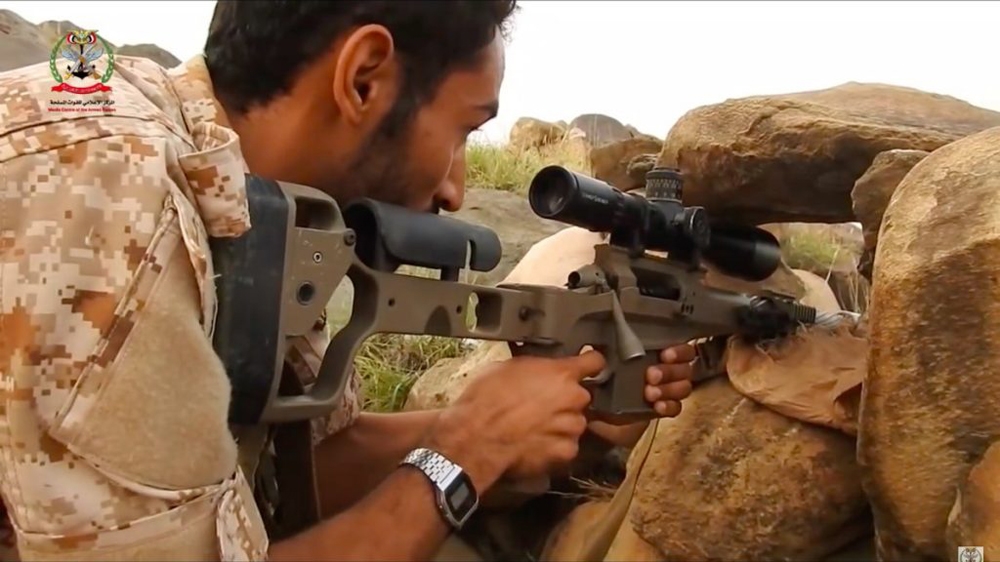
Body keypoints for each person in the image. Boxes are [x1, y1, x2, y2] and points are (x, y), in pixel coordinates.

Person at [0, 1, 697, 560]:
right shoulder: (110, 188)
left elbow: (304, 466)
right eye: (463, 130)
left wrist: (525, 419)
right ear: (364, 77)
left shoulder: (260, 204)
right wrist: (468, 451)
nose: (456, 190)